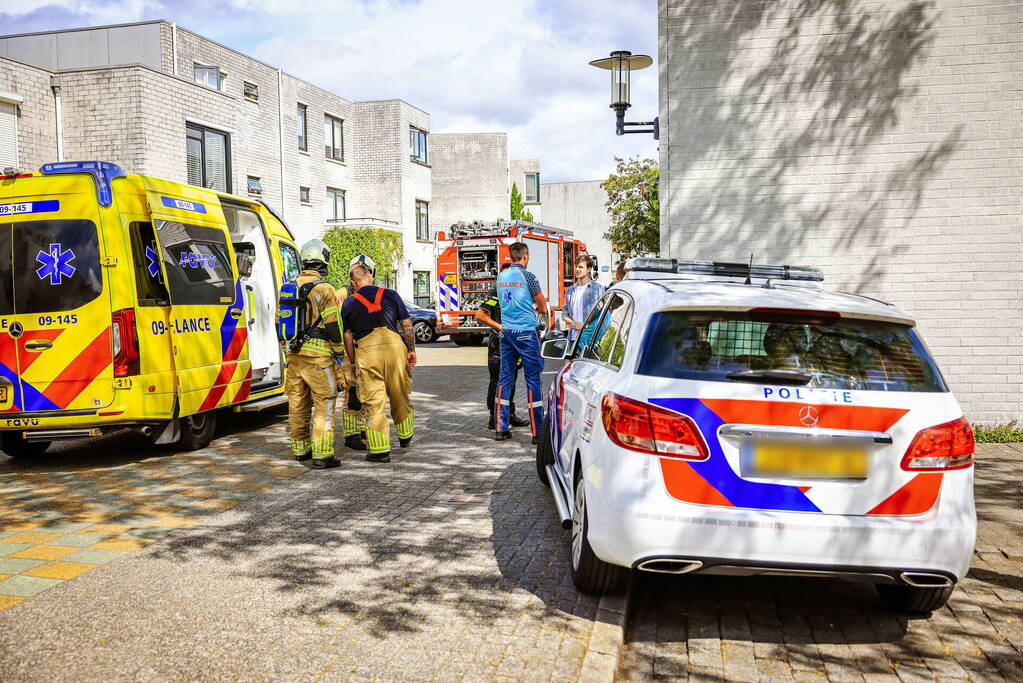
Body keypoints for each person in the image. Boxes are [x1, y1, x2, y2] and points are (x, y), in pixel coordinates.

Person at [341, 256, 415, 463]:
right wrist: (411, 350)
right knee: (400, 393)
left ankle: (380, 451)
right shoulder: (391, 294)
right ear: (370, 277)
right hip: (394, 349)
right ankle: (405, 436)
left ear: (354, 283)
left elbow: (347, 336)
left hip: (368, 352)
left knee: (374, 403)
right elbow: (407, 324)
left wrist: (353, 361)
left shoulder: (349, 303)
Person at [286, 239, 345, 469]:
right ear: (323, 261)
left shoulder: (288, 285)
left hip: (293, 356)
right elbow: (333, 326)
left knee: (297, 403)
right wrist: (339, 353)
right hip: (318, 360)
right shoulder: (324, 289)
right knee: (325, 403)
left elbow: (279, 323)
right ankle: (322, 455)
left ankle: (301, 450)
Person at [494, 242, 548, 443]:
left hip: (506, 333)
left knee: (505, 379)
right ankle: (537, 432)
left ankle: (500, 427)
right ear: (525, 256)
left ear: (511, 256)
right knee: (533, 380)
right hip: (526, 333)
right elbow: (542, 307)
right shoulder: (529, 276)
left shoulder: (501, 276)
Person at [475, 263, 528, 432]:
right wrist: (501, 328)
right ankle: (494, 417)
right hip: (497, 346)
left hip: (514, 346)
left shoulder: (518, 293)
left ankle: (509, 413)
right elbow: (480, 315)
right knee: (497, 381)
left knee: (511, 381)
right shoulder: (494, 293)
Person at [562, 255, 605, 343]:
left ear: (589, 269)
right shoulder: (570, 290)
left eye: (580, 267)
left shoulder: (598, 289)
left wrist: (584, 325)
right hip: (572, 339)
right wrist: (573, 323)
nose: (577, 269)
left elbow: (601, 314)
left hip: (590, 339)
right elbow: (564, 313)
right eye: (576, 267)